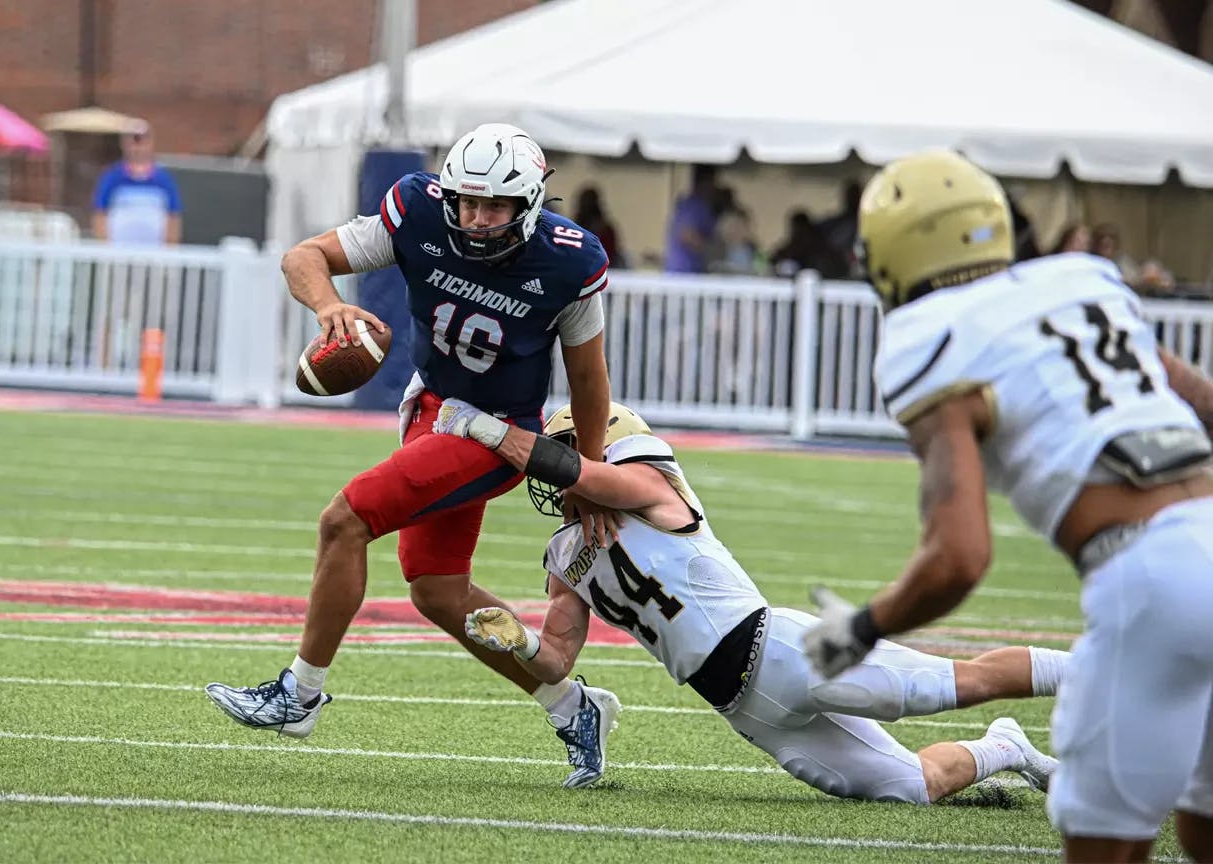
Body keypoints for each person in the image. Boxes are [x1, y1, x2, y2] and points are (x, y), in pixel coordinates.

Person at [799, 148, 1213, 863]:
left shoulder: (924, 340)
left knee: (1106, 844)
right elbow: (1203, 403)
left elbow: (959, 557)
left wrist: (861, 628)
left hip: (1151, 578)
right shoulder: (1082, 281)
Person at [206, 123, 620, 789]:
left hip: (495, 432)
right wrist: (329, 307)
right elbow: (302, 258)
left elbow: (590, 379)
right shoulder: (419, 209)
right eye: (467, 203)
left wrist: (589, 474)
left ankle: (298, 695)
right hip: (431, 407)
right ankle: (573, 710)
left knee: (346, 520)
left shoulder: (570, 261)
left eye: (494, 208)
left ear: (529, 206)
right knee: (436, 588)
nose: (477, 220)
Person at [431, 398, 1067, 803]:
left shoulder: (653, 485)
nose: (548, 475)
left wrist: (486, 431)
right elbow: (558, 660)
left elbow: (590, 476)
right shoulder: (565, 557)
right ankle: (1006, 747)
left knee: (964, 683)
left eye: (562, 457)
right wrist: (520, 641)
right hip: (742, 709)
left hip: (786, 651)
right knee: (910, 788)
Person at [91, 122, 182, 245]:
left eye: (142, 142)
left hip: (154, 255)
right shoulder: (112, 178)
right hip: (118, 254)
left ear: (151, 144)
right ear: (124, 144)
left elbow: (173, 217)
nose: (138, 148)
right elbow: (100, 214)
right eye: (133, 142)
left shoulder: (164, 180)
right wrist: (104, 247)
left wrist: (170, 250)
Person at [664, 165, 718, 274]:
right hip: (683, 274)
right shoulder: (693, 205)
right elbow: (686, 234)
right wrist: (713, 251)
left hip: (693, 273)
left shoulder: (703, 206)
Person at [572, 186, 625, 270]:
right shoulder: (573, 227)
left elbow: (609, 255)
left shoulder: (605, 229)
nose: (586, 206)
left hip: (603, 269)